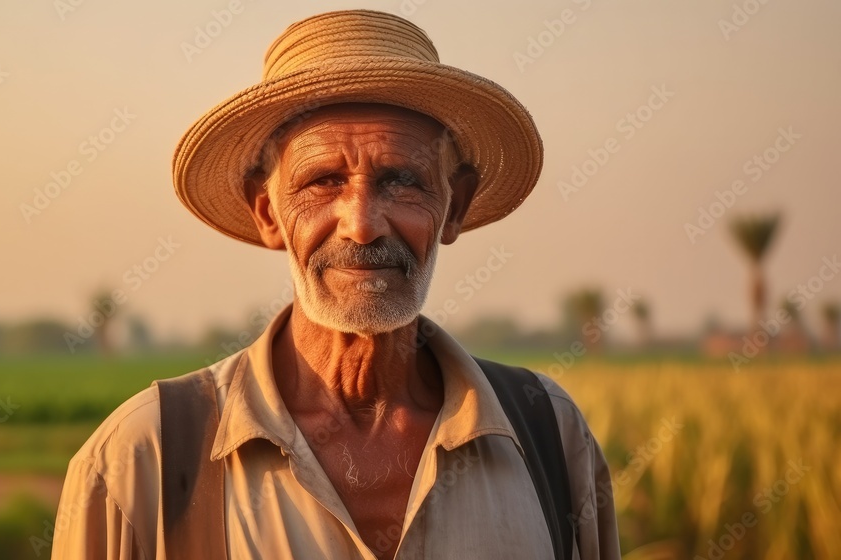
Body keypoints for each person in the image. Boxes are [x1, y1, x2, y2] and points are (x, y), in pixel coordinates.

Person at [51, 9, 619, 560]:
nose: (363, 224)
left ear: (454, 208)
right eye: (322, 182)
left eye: (402, 181)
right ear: (268, 213)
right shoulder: (138, 462)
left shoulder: (548, 434)